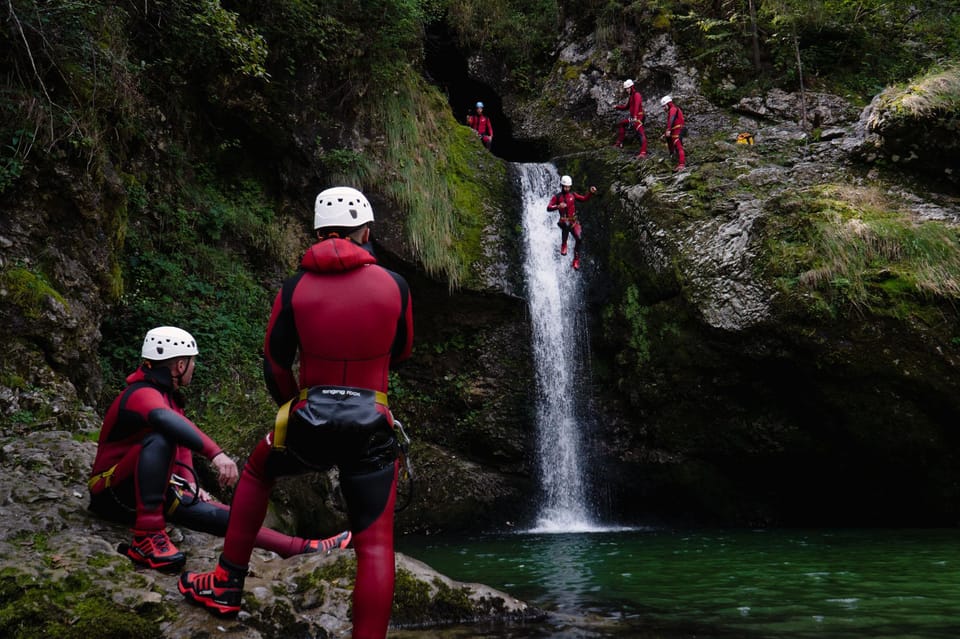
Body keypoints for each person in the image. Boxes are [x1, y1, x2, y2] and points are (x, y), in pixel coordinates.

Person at [179, 186, 414, 639]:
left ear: (319, 231)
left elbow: (275, 361)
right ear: (365, 231)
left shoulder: (295, 288)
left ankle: (227, 583)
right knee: (376, 545)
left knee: (257, 470)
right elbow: (402, 352)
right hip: (371, 424)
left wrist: (293, 406)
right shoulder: (395, 286)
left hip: (308, 418)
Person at [88, 326, 352, 574]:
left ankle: (301, 547)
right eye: (192, 362)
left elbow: (179, 447)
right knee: (160, 437)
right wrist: (216, 454)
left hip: (147, 490)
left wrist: (191, 483)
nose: (193, 367)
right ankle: (147, 536)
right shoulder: (141, 394)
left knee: (226, 516)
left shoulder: (169, 397)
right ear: (180, 365)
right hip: (110, 493)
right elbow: (166, 425)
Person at [547, 175, 597, 271]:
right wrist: (558, 206)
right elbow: (548, 208)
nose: (567, 188)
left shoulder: (573, 195)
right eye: (565, 186)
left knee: (579, 239)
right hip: (563, 221)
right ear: (561, 185)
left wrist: (590, 192)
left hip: (573, 221)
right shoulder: (557, 197)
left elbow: (584, 199)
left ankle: (576, 260)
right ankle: (564, 244)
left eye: (568, 186)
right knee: (565, 225)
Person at [613, 79, 647, 158]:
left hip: (638, 117)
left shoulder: (637, 95)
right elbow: (626, 107)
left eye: (628, 88)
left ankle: (643, 152)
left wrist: (635, 117)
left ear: (632, 87)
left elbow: (637, 105)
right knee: (621, 124)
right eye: (626, 89)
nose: (627, 90)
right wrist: (617, 107)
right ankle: (619, 143)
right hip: (633, 118)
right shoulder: (631, 96)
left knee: (641, 133)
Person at [661, 95, 686, 172]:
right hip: (676, 130)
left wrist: (668, 130)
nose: (663, 108)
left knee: (679, 147)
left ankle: (681, 165)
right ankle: (673, 156)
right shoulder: (672, 110)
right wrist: (665, 133)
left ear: (668, 104)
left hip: (678, 130)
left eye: (664, 106)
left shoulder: (673, 109)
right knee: (674, 144)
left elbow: (672, 119)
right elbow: (671, 122)